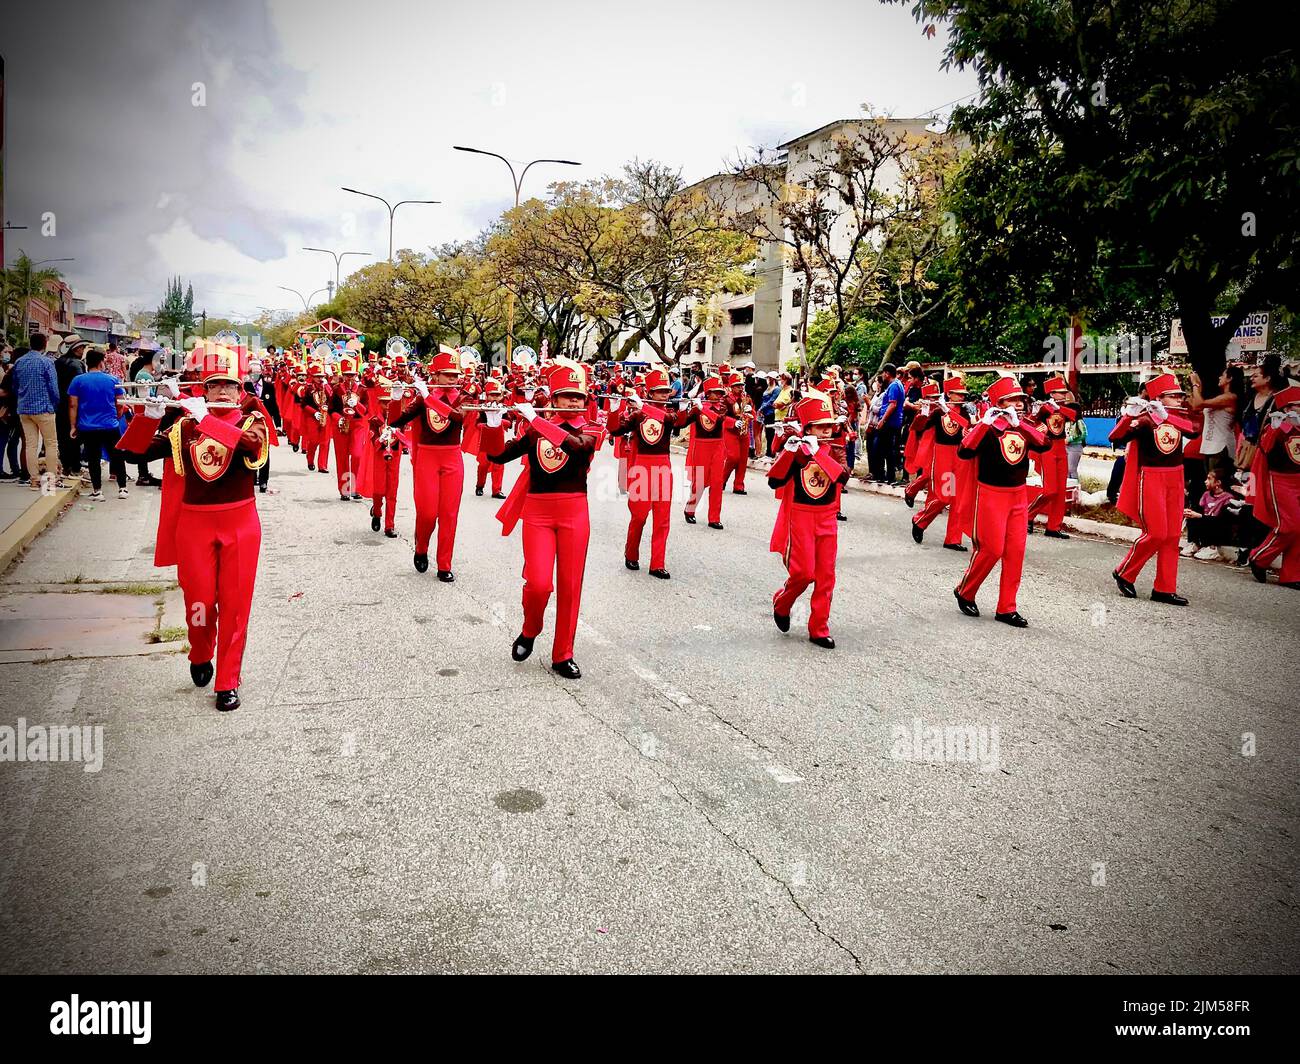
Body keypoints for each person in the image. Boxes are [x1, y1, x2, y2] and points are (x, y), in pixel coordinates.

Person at [117, 344, 271, 712]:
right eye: (215, 383)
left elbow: (250, 448)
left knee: (235, 605)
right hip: (195, 525)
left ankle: (228, 680)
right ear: (203, 388)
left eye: (229, 385)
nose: (222, 391)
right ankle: (201, 651)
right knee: (198, 601)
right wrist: (149, 416)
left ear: (240, 391)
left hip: (240, 523)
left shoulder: (253, 422)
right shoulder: (184, 425)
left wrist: (206, 420)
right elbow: (133, 453)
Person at [489, 361, 603, 680]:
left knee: (570, 586)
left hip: (574, 512)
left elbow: (577, 448)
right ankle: (530, 629)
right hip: (538, 512)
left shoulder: (592, 428)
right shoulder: (535, 428)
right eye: (566, 396)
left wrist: (537, 420)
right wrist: (492, 423)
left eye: (578, 396)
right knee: (539, 584)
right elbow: (498, 456)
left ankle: (563, 653)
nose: (572, 402)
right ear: (554, 396)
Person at [952, 375, 1052, 626]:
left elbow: (1044, 444)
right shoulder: (986, 426)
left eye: (1021, 399)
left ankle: (1007, 607)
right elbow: (964, 450)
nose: (1018, 404)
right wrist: (984, 424)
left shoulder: (1023, 425)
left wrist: (1019, 424)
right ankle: (965, 590)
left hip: (1018, 494)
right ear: (999, 402)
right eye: (1012, 400)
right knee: (991, 549)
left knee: (1016, 551)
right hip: (990, 494)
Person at [768, 391, 850, 648]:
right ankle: (782, 602)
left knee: (826, 575)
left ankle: (819, 627)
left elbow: (843, 477)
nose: (827, 431)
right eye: (821, 426)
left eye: (829, 426)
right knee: (803, 573)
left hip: (826, 517)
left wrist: (819, 453)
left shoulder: (835, 450)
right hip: (800, 516)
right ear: (808, 427)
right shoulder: (797, 449)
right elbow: (774, 480)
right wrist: (791, 453)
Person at [1110, 373, 1200, 605]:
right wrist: (1130, 415)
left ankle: (1164, 588)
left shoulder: (1178, 416)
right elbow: (1116, 437)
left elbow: (1194, 430)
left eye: (1180, 396)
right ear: (1159, 397)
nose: (1180, 400)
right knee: (1157, 532)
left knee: (1172, 536)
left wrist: (1166, 415)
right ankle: (1124, 571)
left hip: (1176, 477)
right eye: (1174, 396)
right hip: (1152, 477)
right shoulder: (1145, 419)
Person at [391, 351, 466, 579]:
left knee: (449, 514)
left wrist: (429, 398)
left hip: (452, 457)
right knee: (427, 512)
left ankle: (444, 564)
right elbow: (397, 421)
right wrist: (396, 399)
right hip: (427, 458)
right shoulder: (422, 397)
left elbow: (457, 418)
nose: (453, 379)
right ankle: (421, 546)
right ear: (435, 375)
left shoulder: (463, 396)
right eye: (447, 374)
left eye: (455, 375)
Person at [608, 370, 684, 579]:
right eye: (658, 391)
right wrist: (614, 410)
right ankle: (631, 552)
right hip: (642, 465)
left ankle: (657, 563)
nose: (664, 395)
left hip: (663, 466)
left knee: (662, 518)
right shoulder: (637, 414)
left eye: (666, 391)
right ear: (649, 393)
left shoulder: (669, 413)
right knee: (639, 515)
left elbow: (673, 422)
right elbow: (615, 430)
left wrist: (646, 407)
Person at [1246, 385, 1300, 587]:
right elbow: (1265, 447)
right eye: (1298, 406)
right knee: (1289, 526)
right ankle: (1259, 558)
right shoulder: (1278, 425)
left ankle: (1292, 574)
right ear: (1287, 408)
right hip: (1281, 480)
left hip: (1298, 479)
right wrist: (1277, 427)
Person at [910, 376, 972, 550]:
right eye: (958, 394)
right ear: (949, 394)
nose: (961, 397)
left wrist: (949, 411)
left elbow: (966, 425)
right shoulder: (938, 411)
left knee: (958, 499)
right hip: (943, 454)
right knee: (945, 496)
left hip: (959, 455)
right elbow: (918, 427)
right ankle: (920, 520)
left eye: (963, 394)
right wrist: (923, 411)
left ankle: (953, 539)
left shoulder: (964, 411)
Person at [1024, 376, 1082, 538]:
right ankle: (1028, 515)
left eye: (1064, 392)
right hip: (1047, 448)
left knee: (1060, 490)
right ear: (1052, 393)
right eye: (1060, 392)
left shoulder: (1067, 407)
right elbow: (1032, 423)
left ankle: (1053, 526)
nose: (1064, 395)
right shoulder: (1044, 408)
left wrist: (1059, 407)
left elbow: (1074, 416)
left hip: (1061, 448)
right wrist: (1041, 411)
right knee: (1050, 490)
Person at [67, 348, 128, 500]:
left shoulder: (78, 381)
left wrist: (73, 426)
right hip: (110, 425)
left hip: (88, 426)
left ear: (87, 363)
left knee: (93, 458)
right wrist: (117, 415)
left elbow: (73, 405)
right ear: (101, 363)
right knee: (117, 456)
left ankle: (98, 491)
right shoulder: (112, 380)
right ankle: (122, 489)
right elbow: (120, 403)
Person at [13, 333, 62, 490]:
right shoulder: (47, 362)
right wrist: (54, 404)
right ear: (45, 344)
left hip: (24, 409)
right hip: (44, 408)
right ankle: (50, 480)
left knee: (30, 445)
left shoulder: (19, 362)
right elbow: (54, 388)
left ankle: (34, 479)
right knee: (50, 444)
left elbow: (15, 385)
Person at [681, 375, 731, 529]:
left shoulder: (722, 407)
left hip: (717, 447)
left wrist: (703, 409)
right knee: (699, 482)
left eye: (721, 393)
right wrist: (683, 408)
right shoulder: (697, 408)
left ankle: (714, 517)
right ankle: (690, 510)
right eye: (716, 392)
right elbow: (681, 423)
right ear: (708, 393)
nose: (719, 396)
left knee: (717, 483)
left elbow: (719, 420)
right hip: (701, 447)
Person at [1189, 365, 1242, 481]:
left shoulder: (1230, 397)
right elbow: (1195, 406)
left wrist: (1195, 384)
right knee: (1210, 483)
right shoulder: (1220, 397)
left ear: (1230, 379)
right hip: (1209, 446)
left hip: (1221, 447)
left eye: (1222, 375)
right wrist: (1198, 388)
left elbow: (1198, 404)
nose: (1219, 377)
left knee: (1218, 483)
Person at [327, 357, 368, 501]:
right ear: (342, 375)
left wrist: (356, 403)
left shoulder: (362, 389)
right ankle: (345, 489)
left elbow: (366, 411)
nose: (349, 378)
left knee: (357, 455)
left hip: (358, 424)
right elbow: (331, 410)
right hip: (342, 424)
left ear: (357, 375)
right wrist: (338, 420)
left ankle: (356, 487)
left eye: (352, 375)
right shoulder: (337, 389)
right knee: (342, 457)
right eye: (347, 374)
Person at [1182, 468, 1238, 561]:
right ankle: (1196, 544)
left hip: (1219, 530)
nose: (1205, 481)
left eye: (1209, 479)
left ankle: (1213, 548)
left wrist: (1200, 516)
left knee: (1207, 520)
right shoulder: (1206, 494)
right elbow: (1199, 510)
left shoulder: (1228, 498)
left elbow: (1222, 521)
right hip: (1206, 524)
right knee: (1192, 515)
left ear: (1218, 483)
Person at [55, 336, 88, 481]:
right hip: (73, 404)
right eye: (81, 348)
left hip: (59, 404)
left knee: (62, 437)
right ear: (75, 349)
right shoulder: (77, 365)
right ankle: (75, 467)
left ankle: (65, 465)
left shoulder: (58, 362)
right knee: (74, 436)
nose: (82, 350)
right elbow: (81, 386)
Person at [870, 364, 905, 484]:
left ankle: (888, 476)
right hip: (893, 421)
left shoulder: (894, 386)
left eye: (884, 373)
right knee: (886, 449)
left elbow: (892, 404)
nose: (883, 376)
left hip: (889, 422)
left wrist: (883, 420)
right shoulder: (898, 384)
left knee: (883, 449)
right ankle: (887, 476)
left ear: (887, 373)